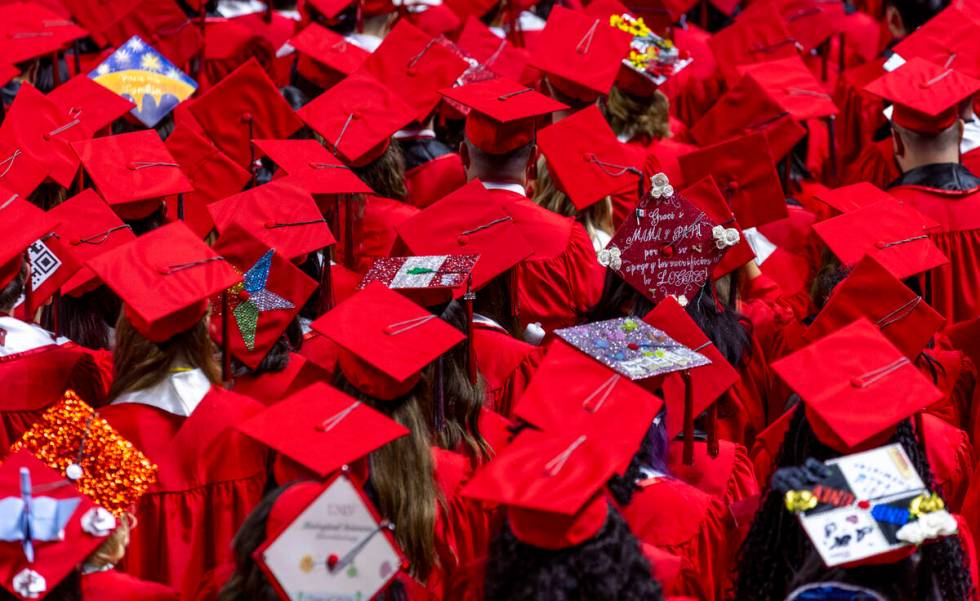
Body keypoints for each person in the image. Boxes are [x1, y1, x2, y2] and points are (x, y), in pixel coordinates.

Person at [86, 222, 269, 596]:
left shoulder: (94, 433)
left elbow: (84, 563)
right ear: (204, 325)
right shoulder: (252, 420)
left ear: (127, 328)